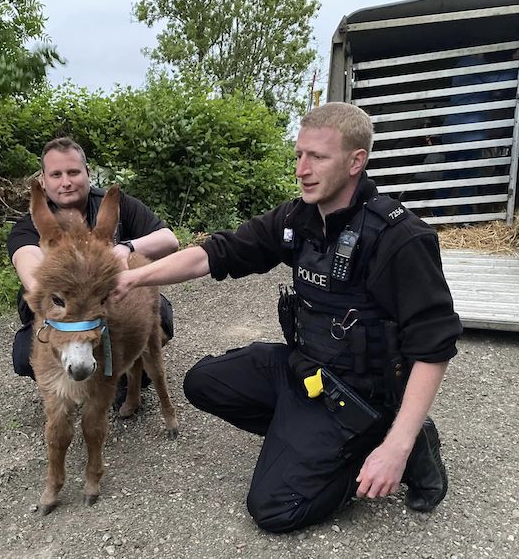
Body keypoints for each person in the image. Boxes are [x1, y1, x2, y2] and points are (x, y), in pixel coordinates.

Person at [113, 103, 463, 533]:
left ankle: (396, 439)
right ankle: (309, 438)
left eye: (317, 157)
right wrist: (134, 279)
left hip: (358, 392)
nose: (302, 169)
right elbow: (215, 253)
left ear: (357, 161)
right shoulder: (297, 218)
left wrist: (397, 445)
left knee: (275, 510)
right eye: (299, 155)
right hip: (305, 369)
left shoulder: (400, 238)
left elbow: (433, 347)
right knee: (203, 382)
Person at [7, 137, 179, 383]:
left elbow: (169, 240)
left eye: (73, 172)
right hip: (61, 313)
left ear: (87, 173)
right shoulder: (30, 224)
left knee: (159, 317)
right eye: (56, 175)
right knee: (25, 355)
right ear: (43, 181)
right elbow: (28, 265)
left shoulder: (119, 205)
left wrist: (125, 248)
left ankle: (127, 374)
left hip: (111, 304)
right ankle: (66, 380)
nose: (66, 182)